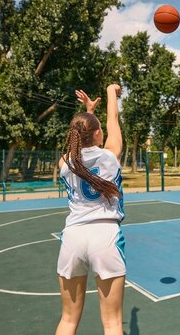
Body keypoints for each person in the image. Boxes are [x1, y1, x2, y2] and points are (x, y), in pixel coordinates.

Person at [55, 84, 125, 335]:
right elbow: (113, 120)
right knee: (113, 323)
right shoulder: (110, 156)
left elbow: (78, 136)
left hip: (73, 238)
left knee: (68, 320)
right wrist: (110, 91)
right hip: (105, 237)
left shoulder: (66, 163)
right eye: (99, 129)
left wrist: (86, 111)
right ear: (97, 133)